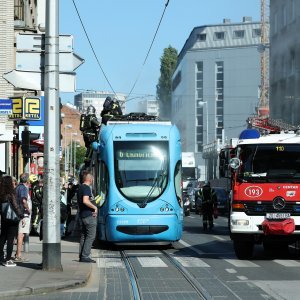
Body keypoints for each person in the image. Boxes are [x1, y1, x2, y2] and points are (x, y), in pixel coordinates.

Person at [0, 176, 25, 267]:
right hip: (12, 219)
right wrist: (22, 216)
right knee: (10, 239)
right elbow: (15, 206)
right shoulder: (11, 194)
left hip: (4, 219)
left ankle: (1, 257)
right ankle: (8, 259)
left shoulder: (1, 194)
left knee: (2, 238)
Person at [77, 171, 98, 263]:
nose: (93, 180)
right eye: (92, 178)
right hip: (89, 216)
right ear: (89, 179)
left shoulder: (80, 187)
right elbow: (85, 201)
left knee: (84, 236)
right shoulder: (86, 188)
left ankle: (82, 255)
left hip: (83, 215)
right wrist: (94, 207)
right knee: (91, 236)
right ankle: (85, 256)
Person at [14, 173, 32, 262]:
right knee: (21, 234)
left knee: (19, 234)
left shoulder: (17, 187)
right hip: (23, 214)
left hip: (19, 213)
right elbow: (24, 200)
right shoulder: (24, 188)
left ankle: (17, 253)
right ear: (27, 180)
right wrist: (28, 209)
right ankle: (18, 255)